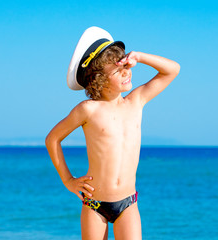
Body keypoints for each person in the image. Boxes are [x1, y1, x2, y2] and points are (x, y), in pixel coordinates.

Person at [45, 27, 180, 240]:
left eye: (126, 65)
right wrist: (68, 180)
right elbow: (53, 138)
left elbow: (172, 69)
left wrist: (139, 56)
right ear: (99, 79)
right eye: (119, 70)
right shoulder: (88, 109)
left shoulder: (136, 101)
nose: (127, 71)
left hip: (128, 203)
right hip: (94, 203)